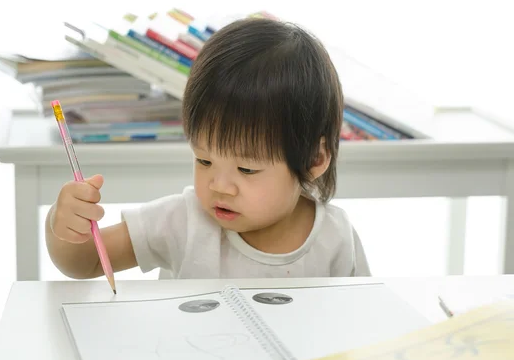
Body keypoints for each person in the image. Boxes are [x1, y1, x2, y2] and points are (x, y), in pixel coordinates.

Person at [45, 17, 371, 280]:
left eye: (246, 169)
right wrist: (63, 227)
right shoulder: (182, 222)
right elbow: (85, 263)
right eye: (204, 160)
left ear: (314, 158)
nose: (219, 185)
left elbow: (363, 326)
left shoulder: (335, 238)